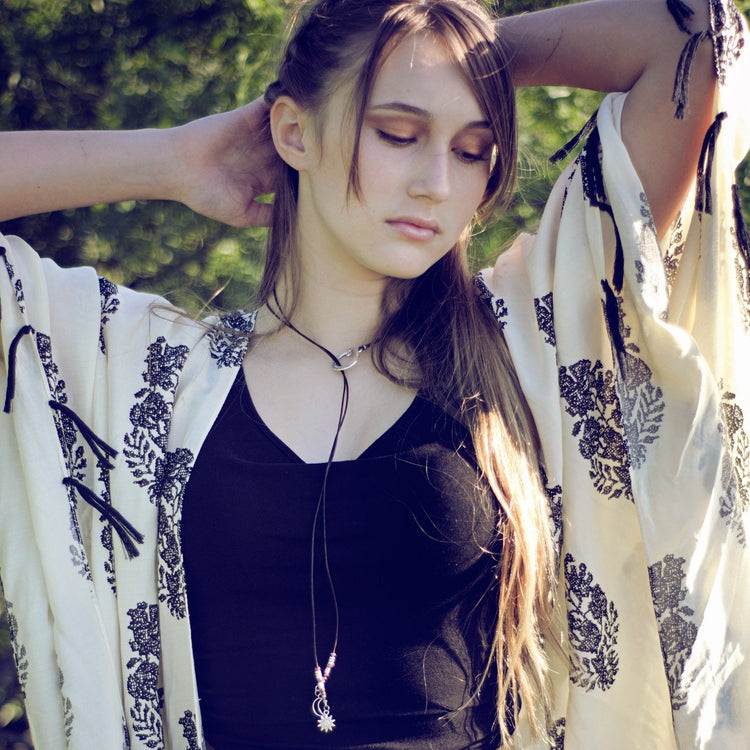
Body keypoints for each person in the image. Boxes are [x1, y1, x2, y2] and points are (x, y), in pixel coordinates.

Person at [0, 0, 748, 748]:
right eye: (397, 133)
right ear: (294, 131)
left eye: (470, 148)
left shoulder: (529, 342)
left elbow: (694, 39)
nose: (434, 182)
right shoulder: (148, 379)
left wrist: (461, 53)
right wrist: (170, 161)